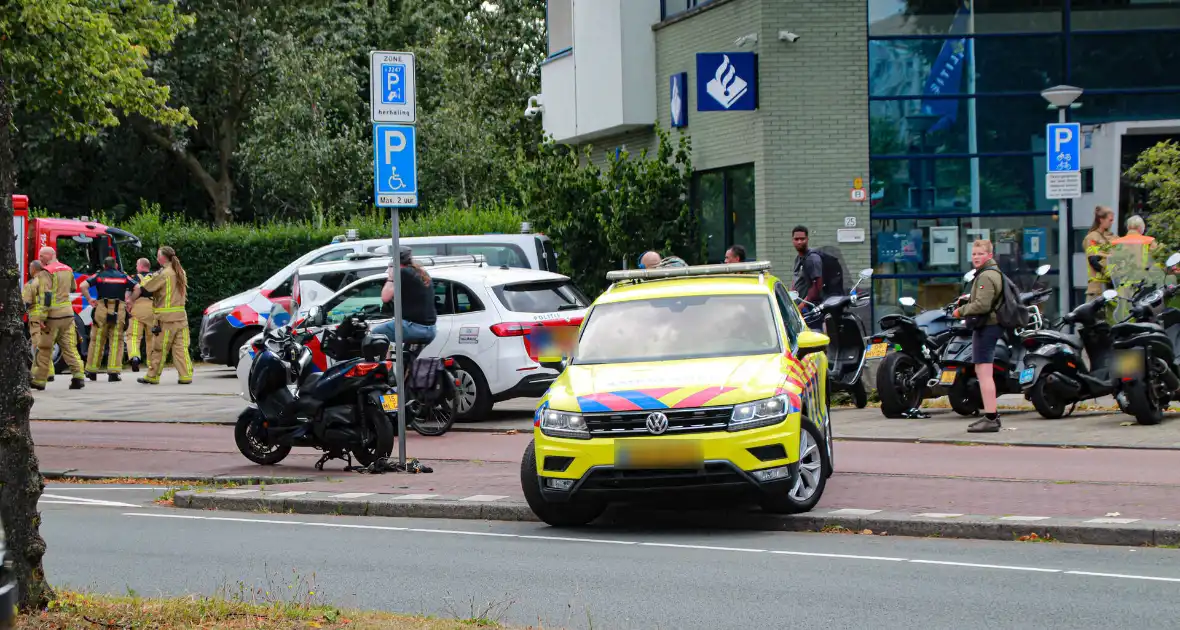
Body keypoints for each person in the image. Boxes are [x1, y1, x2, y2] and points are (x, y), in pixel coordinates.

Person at [953, 240, 1004, 433]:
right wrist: (970, 299)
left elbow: (982, 306)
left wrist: (960, 311)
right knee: (983, 370)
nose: (976, 257)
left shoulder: (986, 276)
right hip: (990, 325)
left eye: (980, 254)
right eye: (974, 254)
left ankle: (991, 417)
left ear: (989, 256)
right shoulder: (991, 273)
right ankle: (991, 415)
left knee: (984, 372)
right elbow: (986, 299)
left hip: (986, 326)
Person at [131, 246, 192, 385]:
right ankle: (185, 376)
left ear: (163, 258)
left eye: (158, 256)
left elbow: (146, 289)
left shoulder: (164, 274)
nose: (157, 258)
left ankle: (152, 376)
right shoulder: (180, 271)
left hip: (166, 319)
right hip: (181, 317)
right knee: (181, 349)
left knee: (159, 348)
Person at [30, 246, 85, 390]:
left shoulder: (46, 272)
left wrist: (42, 317)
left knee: (44, 347)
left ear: (49, 255)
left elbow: (46, 296)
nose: (40, 259)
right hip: (68, 314)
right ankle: (78, 376)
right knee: (69, 346)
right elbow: (73, 287)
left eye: (42, 256)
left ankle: (40, 381)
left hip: (53, 316)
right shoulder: (67, 269)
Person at [79, 257, 134, 381]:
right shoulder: (123, 276)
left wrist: (89, 299)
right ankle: (113, 372)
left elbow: (83, 285)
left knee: (97, 340)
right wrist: (130, 301)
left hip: (101, 310)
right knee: (116, 341)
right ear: (115, 265)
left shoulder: (99, 275)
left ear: (104, 265)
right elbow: (137, 288)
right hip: (118, 310)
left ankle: (92, 371)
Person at [372, 246, 438, 345]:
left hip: (414, 327)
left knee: (376, 335)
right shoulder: (421, 273)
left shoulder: (402, 273)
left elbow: (385, 297)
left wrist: (391, 276)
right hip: (430, 329)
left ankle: (383, 360)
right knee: (407, 359)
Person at [22, 261, 53, 381]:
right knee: (47, 345)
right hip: (50, 317)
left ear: (33, 269)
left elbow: (26, 302)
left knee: (37, 345)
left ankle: (42, 373)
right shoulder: (50, 282)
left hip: (36, 318)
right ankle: (49, 372)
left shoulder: (31, 284)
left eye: (30, 268)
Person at [124, 258, 156, 373]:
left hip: (137, 308)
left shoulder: (134, 278)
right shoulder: (155, 277)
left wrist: (127, 305)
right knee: (152, 337)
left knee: (133, 336)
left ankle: (135, 357)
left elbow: (127, 295)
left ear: (140, 266)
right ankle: (151, 363)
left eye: (137, 265)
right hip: (153, 308)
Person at [1083, 205, 1116, 300]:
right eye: (1110, 220)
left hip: (1111, 286)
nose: (1112, 223)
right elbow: (1093, 260)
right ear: (1101, 220)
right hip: (1097, 288)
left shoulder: (1112, 237)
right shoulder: (1092, 237)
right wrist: (1106, 272)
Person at [792, 226, 823, 308]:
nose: (799, 242)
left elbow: (817, 286)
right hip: (799, 305)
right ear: (792, 240)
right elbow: (795, 280)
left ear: (807, 239)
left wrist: (802, 306)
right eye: (796, 239)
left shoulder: (813, 259)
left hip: (811, 307)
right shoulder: (798, 258)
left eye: (802, 239)